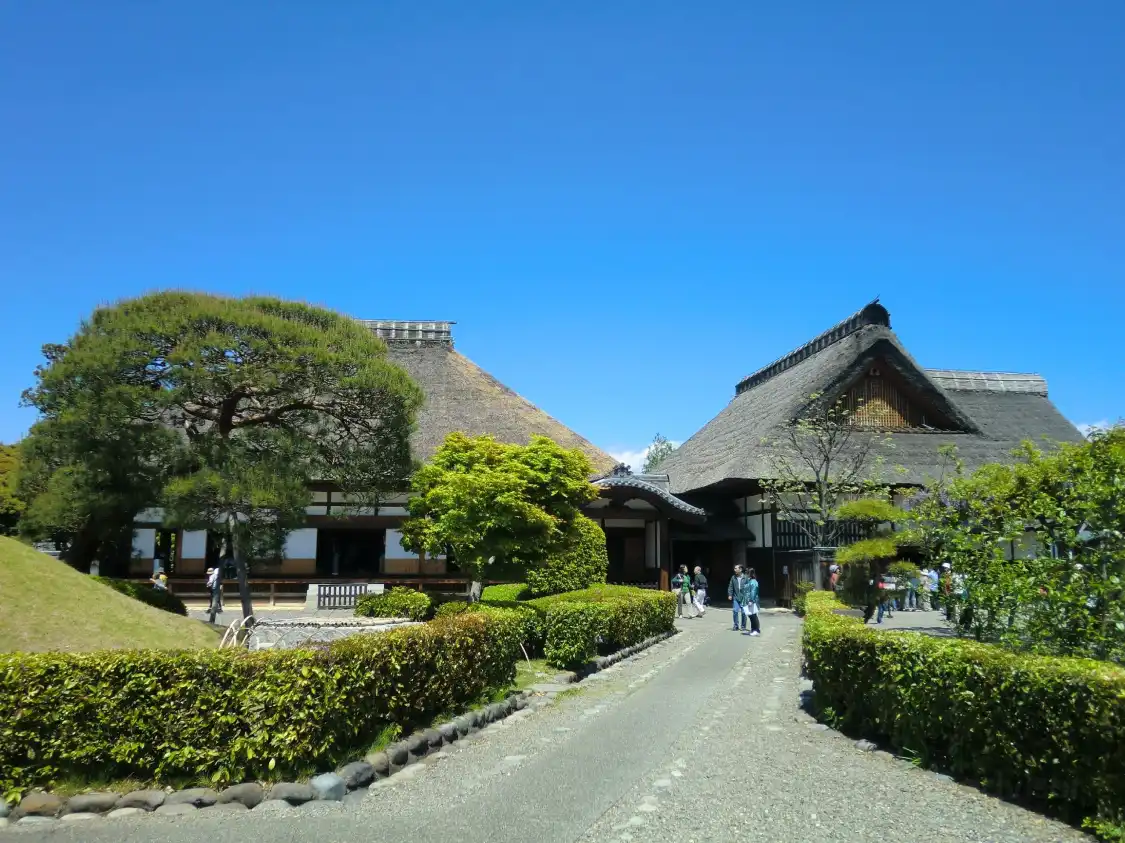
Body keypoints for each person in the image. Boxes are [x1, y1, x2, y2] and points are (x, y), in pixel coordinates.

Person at [728, 565, 749, 631]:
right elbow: (730, 587)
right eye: (734, 568)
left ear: (740, 570)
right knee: (735, 611)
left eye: (736, 568)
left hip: (744, 598)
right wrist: (730, 595)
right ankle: (736, 625)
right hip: (736, 597)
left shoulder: (745, 577)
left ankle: (743, 626)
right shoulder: (733, 577)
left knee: (743, 612)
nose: (734, 570)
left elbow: (749, 587)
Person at [744, 568, 761, 636]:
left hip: (752, 601)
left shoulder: (753, 581)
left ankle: (756, 630)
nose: (745, 575)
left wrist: (751, 600)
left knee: (754, 616)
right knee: (751, 615)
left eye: (747, 573)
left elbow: (753, 591)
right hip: (748, 600)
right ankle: (753, 629)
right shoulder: (749, 581)